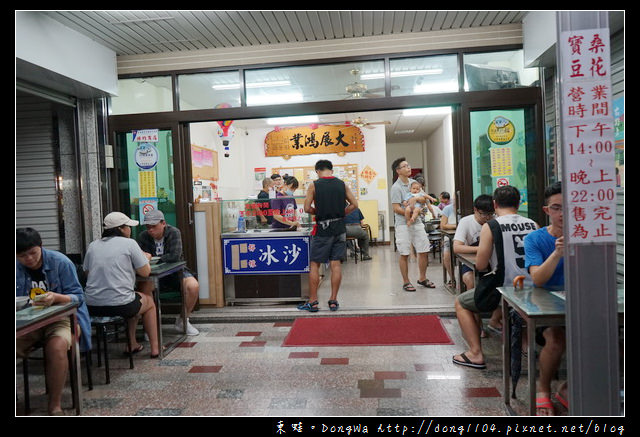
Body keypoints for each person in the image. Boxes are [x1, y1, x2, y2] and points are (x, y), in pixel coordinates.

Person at [452, 185, 537, 369]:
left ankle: (475, 353)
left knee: (461, 302)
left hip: (504, 290)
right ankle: (525, 345)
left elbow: (481, 265)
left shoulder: (491, 226)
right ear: (519, 202)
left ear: (495, 203)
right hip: (532, 289)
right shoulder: (533, 224)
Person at [16, 227, 92, 416]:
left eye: (33, 253)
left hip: (61, 319)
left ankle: (55, 405)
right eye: (22, 255)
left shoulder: (60, 262)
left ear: (41, 247)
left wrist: (58, 297)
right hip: (27, 322)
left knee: (57, 347)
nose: (30, 259)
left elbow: (79, 297)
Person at [83, 212, 161, 358]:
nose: (129, 230)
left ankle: (132, 343)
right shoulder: (129, 243)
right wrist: (147, 258)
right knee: (148, 303)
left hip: (92, 306)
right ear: (121, 229)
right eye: (128, 226)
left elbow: (87, 273)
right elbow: (145, 273)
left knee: (134, 298)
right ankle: (156, 348)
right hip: (120, 305)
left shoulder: (93, 246)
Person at [523, 181, 566, 416]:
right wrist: (558, 253)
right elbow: (538, 278)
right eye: (557, 208)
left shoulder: (587, 236)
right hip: (545, 307)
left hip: (582, 305)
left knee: (613, 341)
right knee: (556, 338)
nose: (563, 213)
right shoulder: (535, 239)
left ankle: (570, 387)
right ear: (547, 211)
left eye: (569, 207)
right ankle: (542, 389)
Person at [300, 159, 358, 312]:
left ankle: (313, 302)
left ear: (318, 171)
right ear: (331, 170)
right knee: (335, 264)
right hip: (339, 228)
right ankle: (333, 300)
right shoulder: (342, 184)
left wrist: (318, 212)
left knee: (315, 264)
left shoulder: (314, 185)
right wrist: (340, 213)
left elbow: (306, 208)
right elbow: (354, 205)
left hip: (322, 229)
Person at [136, 209, 200, 336]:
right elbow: (140, 258)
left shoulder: (173, 232)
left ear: (163, 223)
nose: (150, 230)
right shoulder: (143, 236)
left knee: (193, 286)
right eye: (148, 227)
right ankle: (150, 328)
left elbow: (175, 256)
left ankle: (183, 320)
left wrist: (155, 258)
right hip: (152, 274)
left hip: (176, 272)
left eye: (154, 226)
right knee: (145, 289)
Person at [452, 194, 501, 336]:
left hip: (492, 263)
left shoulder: (496, 221)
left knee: (504, 283)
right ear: (475, 210)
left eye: (490, 214)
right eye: (483, 214)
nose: (487, 217)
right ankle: (477, 324)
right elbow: (457, 248)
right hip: (470, 263)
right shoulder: (466, 222)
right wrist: (482, 249)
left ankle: (495, 319)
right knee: (470, 281)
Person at [390, 157, 436, 292]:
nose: (408, 168)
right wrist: (409, 213)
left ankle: (422, 278)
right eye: (404, 166)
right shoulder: (396, 187)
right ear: (398, 171)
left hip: (418, 222)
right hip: (403, 224)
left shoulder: (414, 183)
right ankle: (406, 281)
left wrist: (416, 200)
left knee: (424, 249)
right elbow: (396, 208)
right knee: (404, 253)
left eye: (408, 165)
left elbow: (423, 198)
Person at [440, 200, 457, 288]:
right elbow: (443, 225)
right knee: (446, 255)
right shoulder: (448, 209)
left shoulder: (467, 208)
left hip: (464, 238)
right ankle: (452, 278)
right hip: (449, 238)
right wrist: (457, 225)